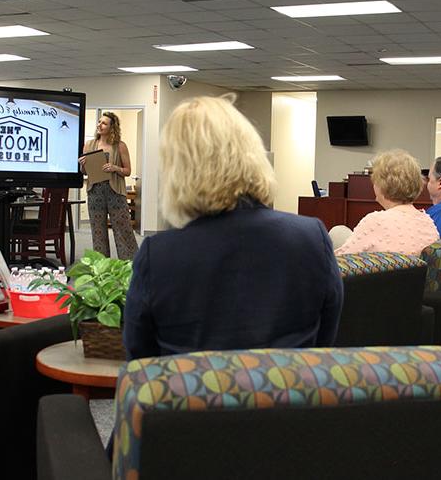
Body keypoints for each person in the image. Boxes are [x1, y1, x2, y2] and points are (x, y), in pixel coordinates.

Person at [122, 94, 343, 359]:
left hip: (192, 396)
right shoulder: (311, 237)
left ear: (177, 170)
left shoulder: (158, 255)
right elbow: (325, 340)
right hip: (289, 395)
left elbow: (140, 359)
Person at [331, 149, 439, 256]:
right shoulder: (428, 221)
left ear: (381, 185)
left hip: (373, 271)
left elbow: (340, 261)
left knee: (337, 232)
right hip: (413, 273)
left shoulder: (375, 221)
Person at [78, 112, 138, 260]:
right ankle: (101, 266)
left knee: (123, 230)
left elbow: (127, 171)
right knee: (98, 232)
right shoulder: (89, 145)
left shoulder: (120, 146)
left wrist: (114, 168)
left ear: (112, 127)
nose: (99, 125)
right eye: (99, 122)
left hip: (115, 192)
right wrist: (82, 165)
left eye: (104, 123)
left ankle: (130, 264)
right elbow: (85, 172)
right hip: (95, 192)